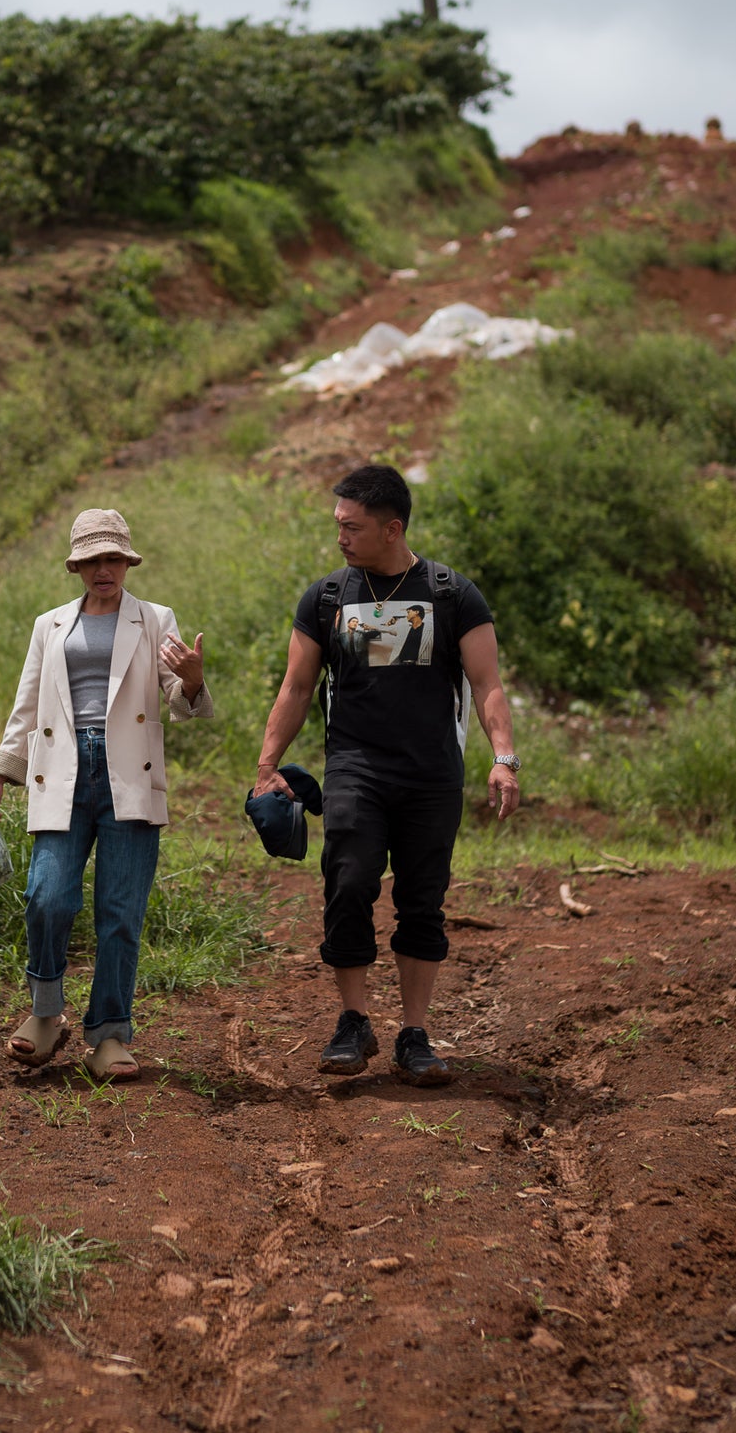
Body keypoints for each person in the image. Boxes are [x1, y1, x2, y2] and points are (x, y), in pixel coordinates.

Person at [253, 464, 519, 1085]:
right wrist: (267, 765)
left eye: (352, 526)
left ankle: (414, 1033)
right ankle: (354, 1021)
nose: (340, 536)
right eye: (337, 525)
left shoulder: (453, 594)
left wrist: (503, 757)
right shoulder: (325, 598)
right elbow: (296, 688)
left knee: (422, 901)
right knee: (347, 883)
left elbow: (488, 685)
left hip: (431, 776)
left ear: (392, 528)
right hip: (355, 768)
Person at [0, 508, 210, 1081]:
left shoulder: (155, 619)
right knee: (47, 896)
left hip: (129, 772)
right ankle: (46, 1014)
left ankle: (108, 1032)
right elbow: (26, 706)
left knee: (119, 913)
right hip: (60, 770)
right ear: (76, 565)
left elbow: (180, 698)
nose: (104, 570)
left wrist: (195, 678)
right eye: (92, 560)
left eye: (113, 559)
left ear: (127, 561)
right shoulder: (49, 625)